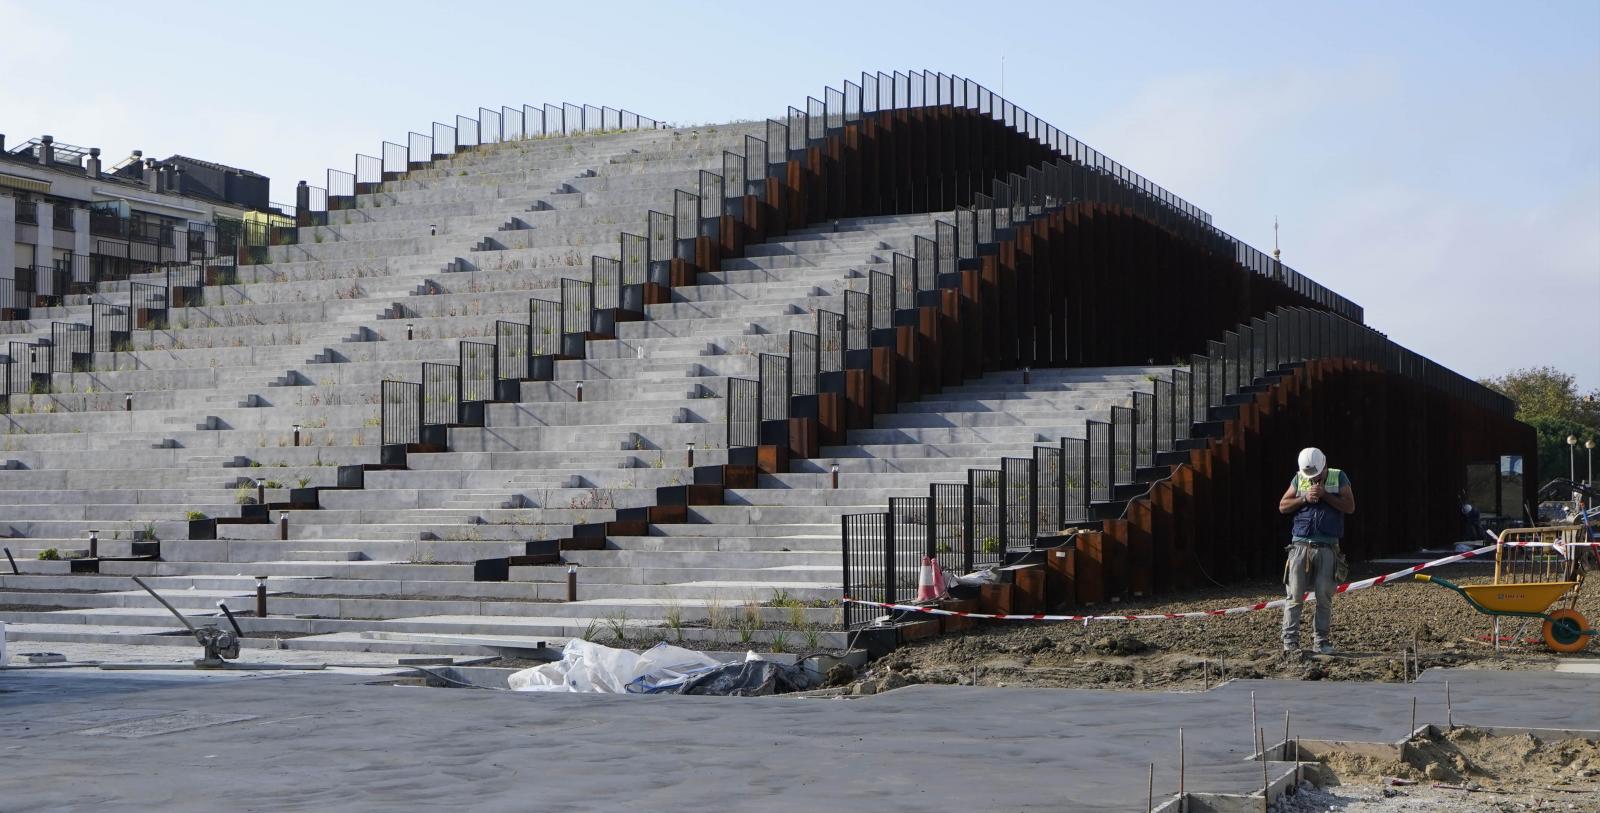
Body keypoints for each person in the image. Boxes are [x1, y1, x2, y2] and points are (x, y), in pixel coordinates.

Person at [1277, 447, 1356, 654]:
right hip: (1300, 545)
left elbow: (1349, 506)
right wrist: (1304, 498)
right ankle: (1290, 642)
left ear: (1324, 466)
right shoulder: (1299, 479)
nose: (1314, 478)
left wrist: (1326, 496)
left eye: (1317, 475)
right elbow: (1283, 506)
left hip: (1327, 546)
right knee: (1294, 595)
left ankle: (1321, 641)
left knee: (1324, 596)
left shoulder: (1339, 477)